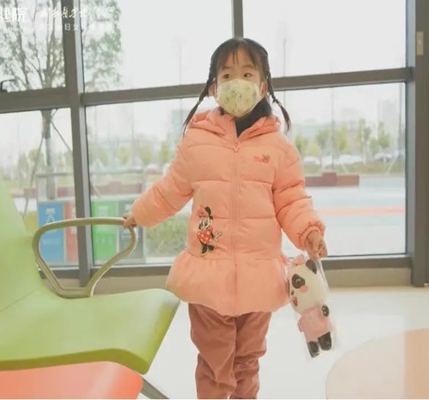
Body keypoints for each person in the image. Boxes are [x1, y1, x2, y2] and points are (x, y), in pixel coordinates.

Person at [122, 37, 328, 399]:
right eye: (228, 74)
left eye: (247, 73)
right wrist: (139, 213)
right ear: (215, 87)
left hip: (258, 279)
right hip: (208, 279)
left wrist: (308, 230)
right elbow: (170, 190)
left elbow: (292, 199)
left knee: (247, 362)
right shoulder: (197, 141)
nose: (237, 82)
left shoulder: (279, 148)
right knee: (215, 365)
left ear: (262, 86)